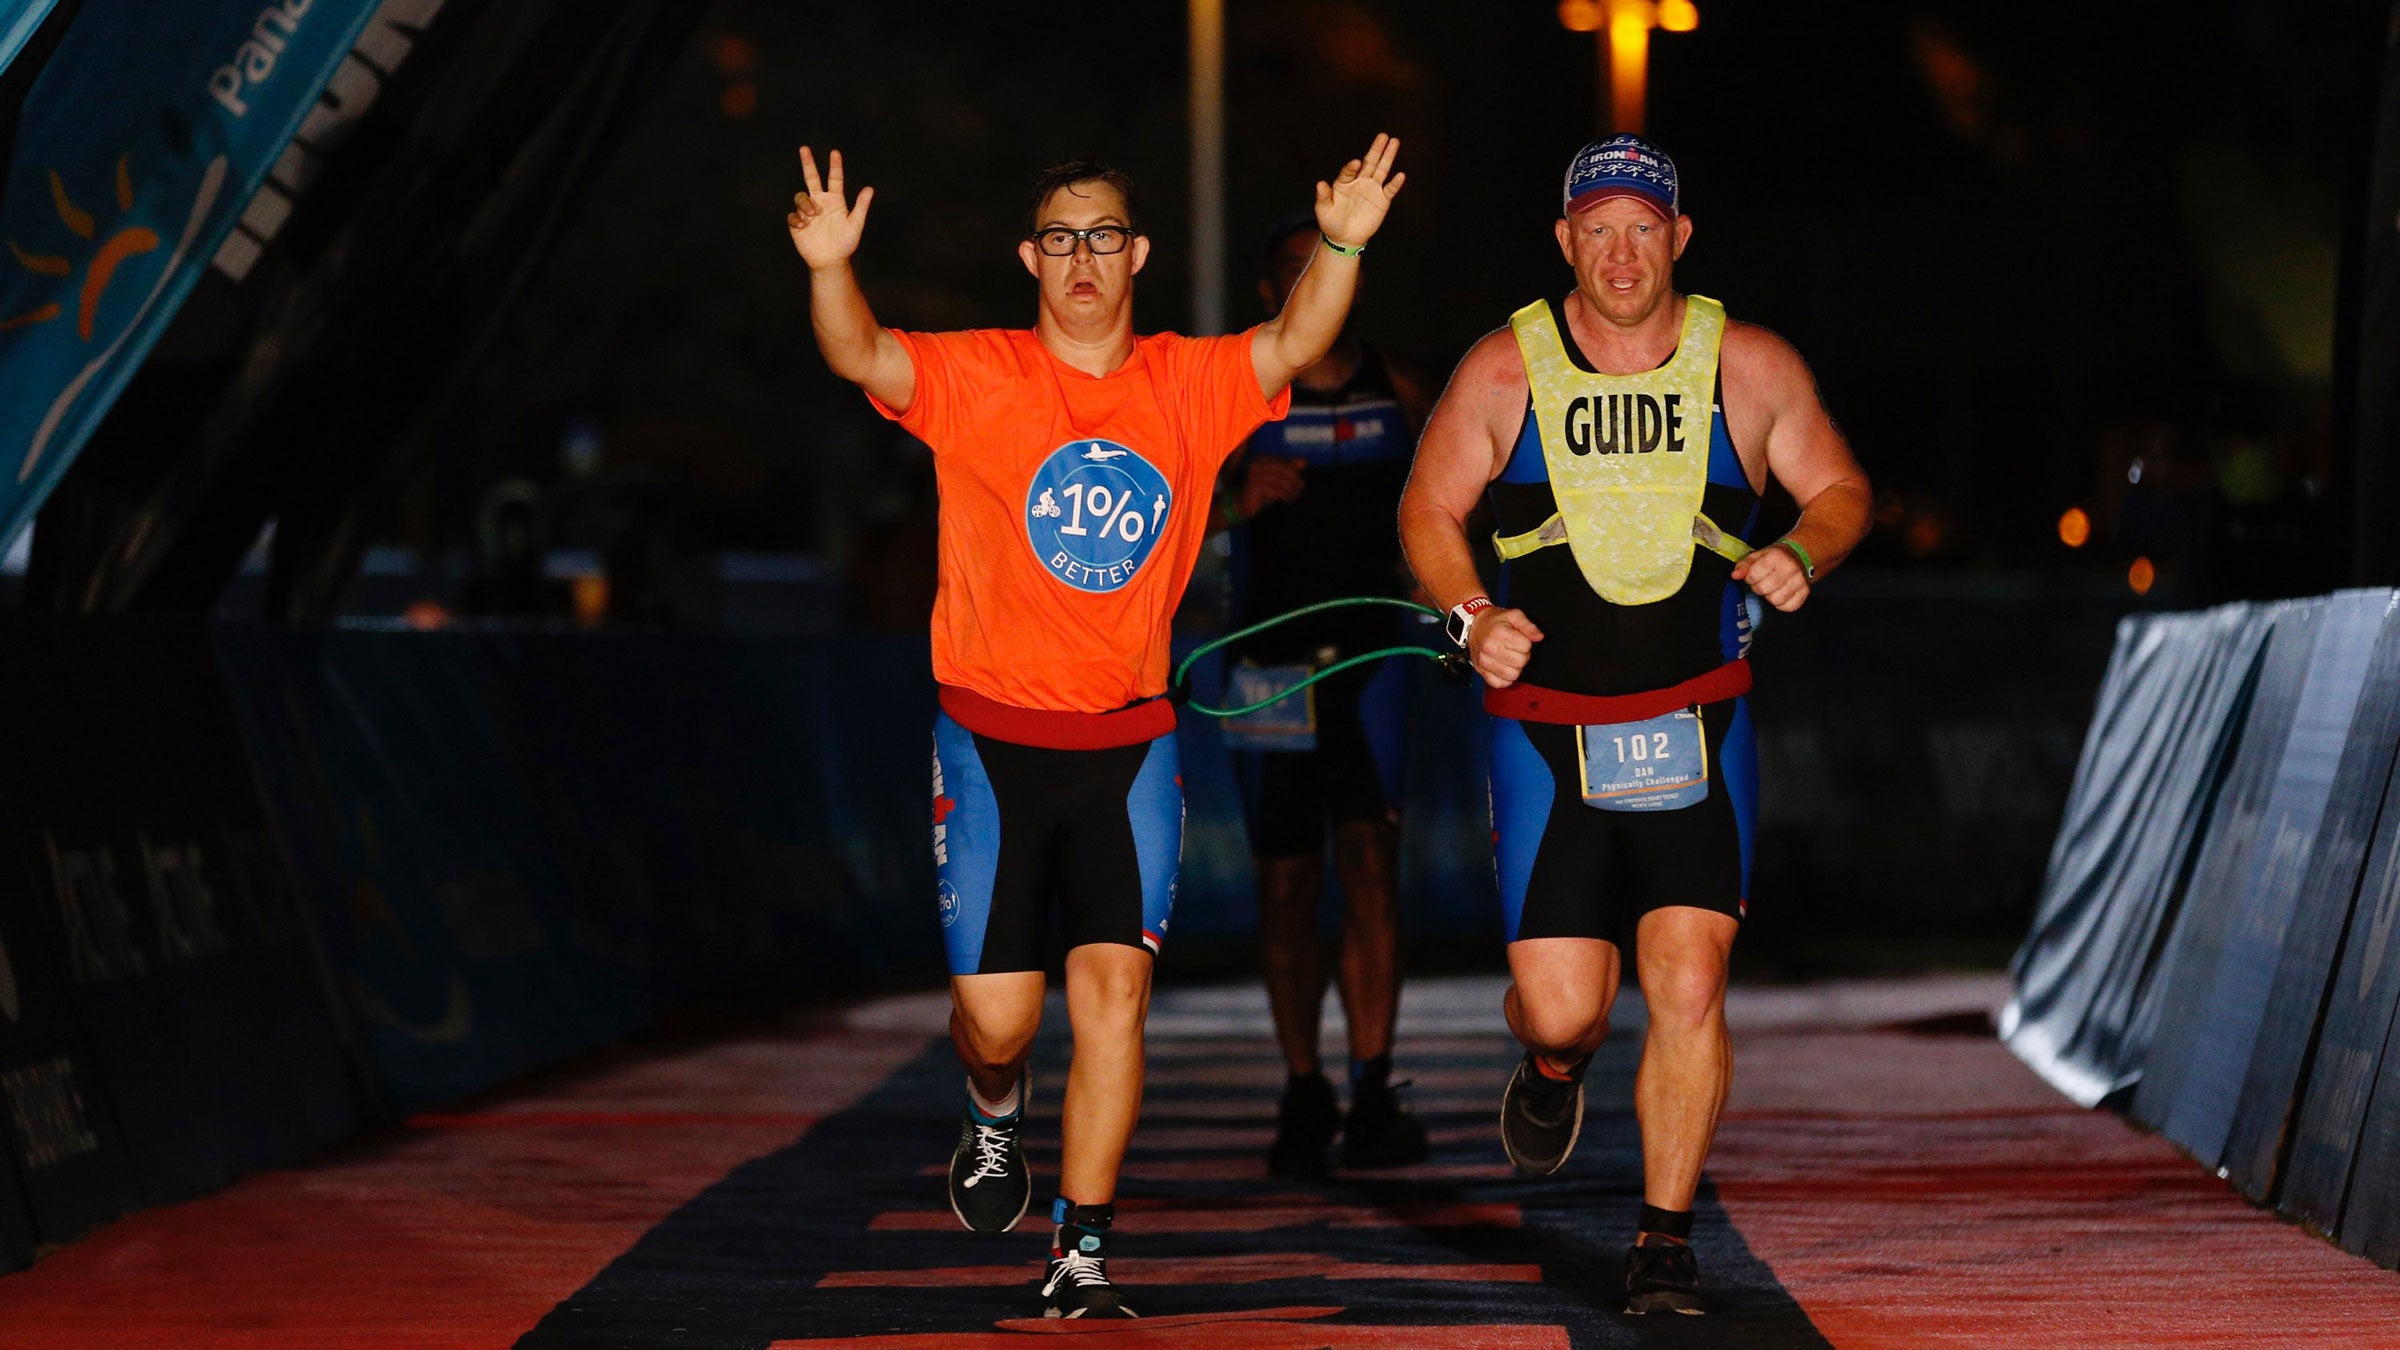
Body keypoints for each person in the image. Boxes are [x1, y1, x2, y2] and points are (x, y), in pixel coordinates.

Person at [788, 136, 1403, 1320]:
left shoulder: (1187, 379)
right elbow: (860, 349)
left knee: (1113, 1000)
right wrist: (828, 267)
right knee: (1000, 1021)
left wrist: (1343, 245)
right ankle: (992, 1108)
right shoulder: (979, 373)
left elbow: (1298, 341)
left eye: (1104, 236)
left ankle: (1082, 1252)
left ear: (1140, 256)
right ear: (1031, 257)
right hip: (989, 741)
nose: (1082, 258)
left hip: (1129, 744)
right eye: (1061, 238)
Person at [1397, 134, 1869, 1317]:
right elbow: (1428, 504)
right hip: (1546, 731)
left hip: (1697, 727)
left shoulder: (1748, 365)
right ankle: (1554, 1064)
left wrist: (1806, 550)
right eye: (1596, 229)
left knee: (1690, 979)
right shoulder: (1506, 369)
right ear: (1564, 241)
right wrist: (1467, 616)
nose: (1619, 252)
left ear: (1679, 237)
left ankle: (1663, 1239)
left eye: (1642, 228)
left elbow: (1843, 489)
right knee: (1566, 1005)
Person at [1214, 215, 1434, 1176]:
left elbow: (1461, 497)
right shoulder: (1235, 393)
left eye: (1327, 268)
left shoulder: (1409, 388)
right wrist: (1232, 500)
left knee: (1372, 865)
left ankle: (1375, 1087)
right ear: (1269, 297)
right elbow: (1157, 508)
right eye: (1293, 273)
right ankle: (1305, 1089)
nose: (1312, 286)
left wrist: (1441, 572)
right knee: (1287, 881)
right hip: (1266, 663)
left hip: (1374, 656)